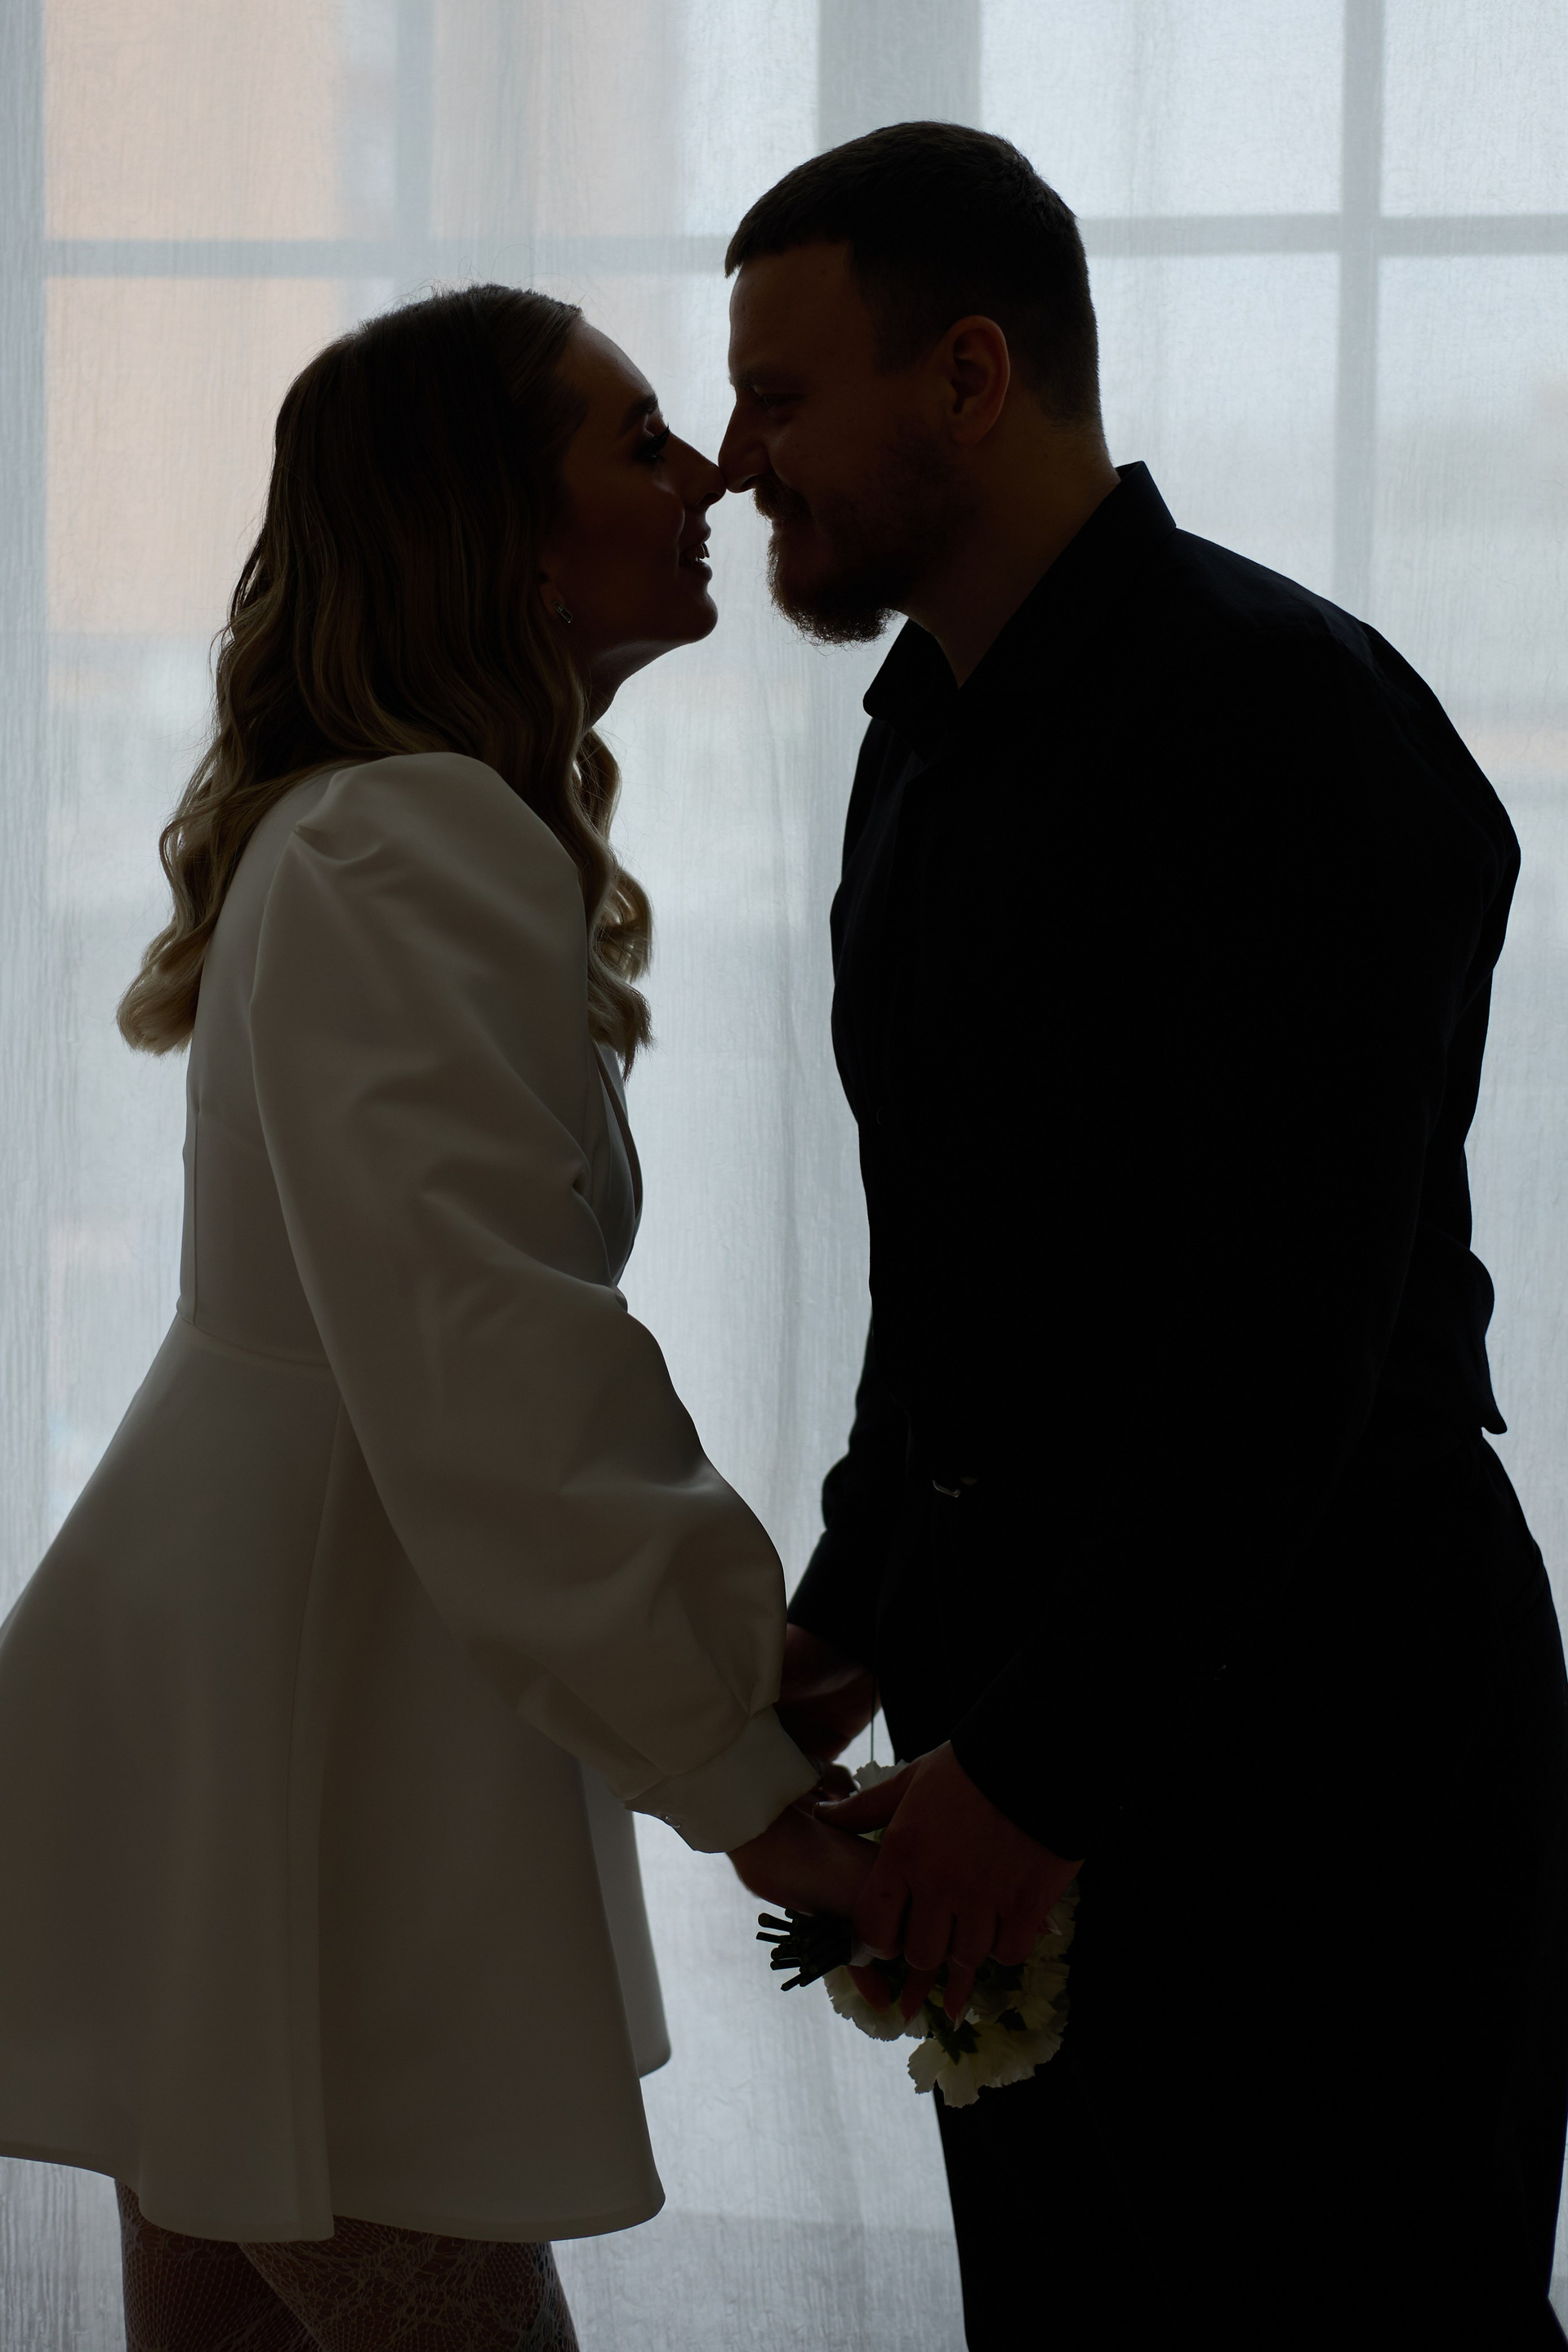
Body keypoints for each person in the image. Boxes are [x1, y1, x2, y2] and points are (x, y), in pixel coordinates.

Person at [718, 122, 1568, 2350]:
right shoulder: (916, 742)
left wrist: (1036, 1772)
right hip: (1020, 1734)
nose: (736, 461)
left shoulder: (1284, 715)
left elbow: (1290, 1325)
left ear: (970, 375)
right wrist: (853, 1612)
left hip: (1329, 1737)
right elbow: (948, 1273)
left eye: (782, 397)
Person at [0, 284, 872, 2352]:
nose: (711, 474)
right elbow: (499, 1362)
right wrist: (734, 1757)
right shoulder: (412, 835)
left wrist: (722, 1669)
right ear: (498, 531)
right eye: (639, 441)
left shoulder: (371, 823)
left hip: (267, 1690)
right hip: (329, 1737)